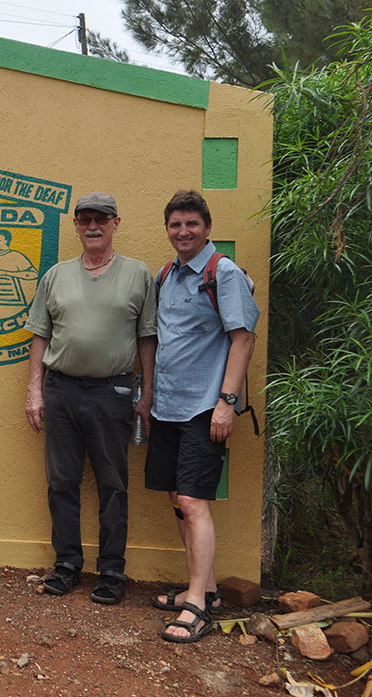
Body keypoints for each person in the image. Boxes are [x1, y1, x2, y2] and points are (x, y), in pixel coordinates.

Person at [24, 192, 157, 604]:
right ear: (76, 226)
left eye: (101, 218)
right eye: (85, 219)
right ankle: (66, 565)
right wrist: (34, 388)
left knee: (112, 484)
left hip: (112, 391)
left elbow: (147, 337)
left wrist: (146, 391)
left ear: (117, 223)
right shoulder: (56, 275)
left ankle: (112, 571)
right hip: (60, 390)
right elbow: (40, 335)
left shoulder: (138, 275)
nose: (93, 226)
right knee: (61, 481)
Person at [147, 190, 259, 643]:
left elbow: (243, 338)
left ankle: (196, 606)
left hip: (204, 408)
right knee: (178, 496)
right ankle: (207, 589)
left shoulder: (223, 273)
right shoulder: (167, 275)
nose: (183, 231)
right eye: (175, 224)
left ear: (207, 228)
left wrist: (226, 402)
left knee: (195, 502)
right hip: (168, 406)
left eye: (191, 224)